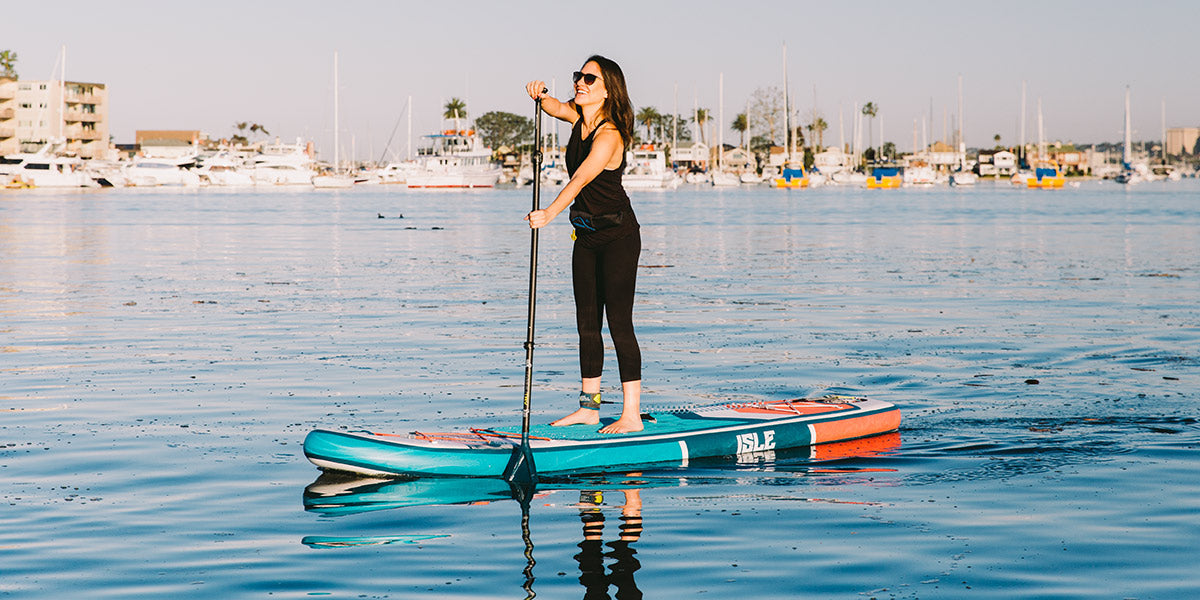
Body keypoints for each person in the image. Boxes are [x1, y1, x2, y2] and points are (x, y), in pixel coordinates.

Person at [524, 55, 643, 434]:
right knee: (586, 324)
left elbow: (579, 181)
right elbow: (556, 106)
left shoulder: (609, 135)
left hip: (619, 237)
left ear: (607, 90)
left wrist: (548, 213)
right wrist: (540, 96)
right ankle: (589, 409)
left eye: (589, 78)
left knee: (618, 324)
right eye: (579, 76)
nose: (580, 82)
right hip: (587, 236)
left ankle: (631, 415)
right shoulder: (580, 117)